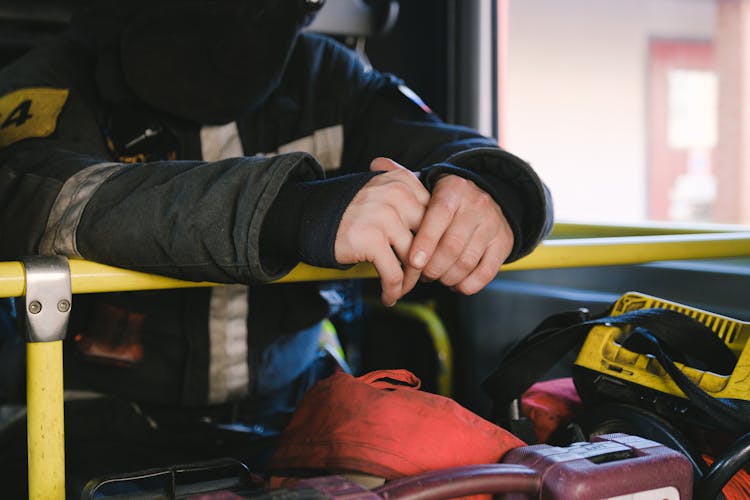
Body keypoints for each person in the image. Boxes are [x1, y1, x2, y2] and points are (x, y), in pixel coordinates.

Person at [0, 0, 553, 495]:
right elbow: (33, 196)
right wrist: (298, 212)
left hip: (291, 413)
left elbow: (450, 145)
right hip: (81, 416)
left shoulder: (330, 78)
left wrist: (491, 187)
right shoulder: (55, 79)